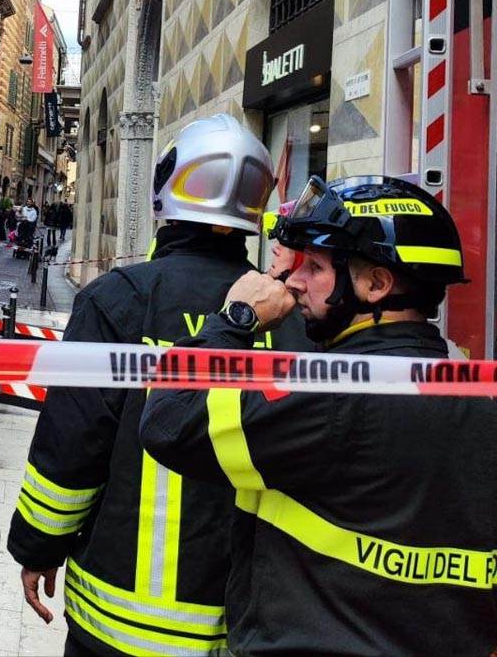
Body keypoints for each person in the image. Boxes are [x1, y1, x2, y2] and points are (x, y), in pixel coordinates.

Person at [140, 175, 497, 655]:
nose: (294, 279)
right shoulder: (473, 387)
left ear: (376, 284)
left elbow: (169, 422)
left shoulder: (331, 394)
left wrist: (235, 320)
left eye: (316, 266)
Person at [7, 114, 311, 657]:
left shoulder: (117, 300)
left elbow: (71, 449)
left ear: (167, 193)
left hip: (120, 623)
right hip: (249, 626)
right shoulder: (287, 319)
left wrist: (37, 546)